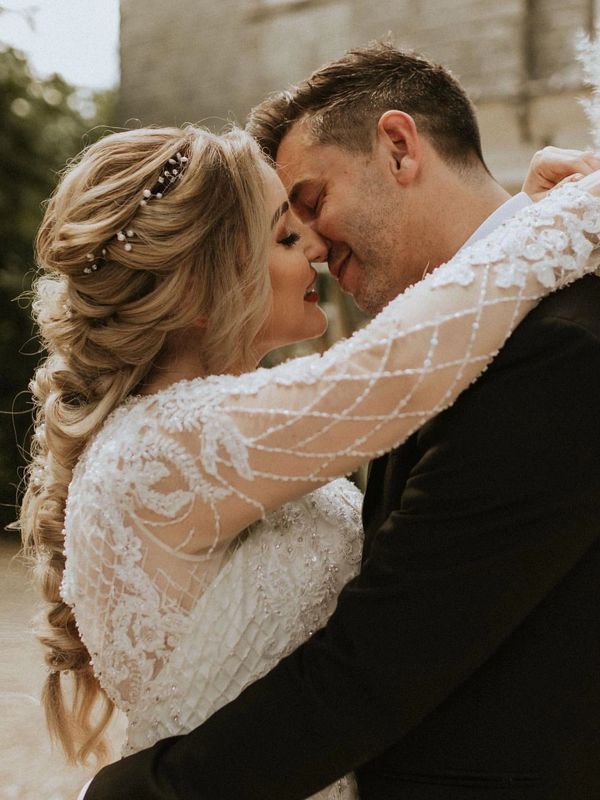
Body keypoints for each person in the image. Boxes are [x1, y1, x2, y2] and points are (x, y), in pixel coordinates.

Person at [72, 44, 600, 800]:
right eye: (285, 232)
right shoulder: (355, 383)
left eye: (309, 205)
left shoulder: (561, 343)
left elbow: (389, 649)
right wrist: (565, 221)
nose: (314, 248)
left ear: (397, 146)